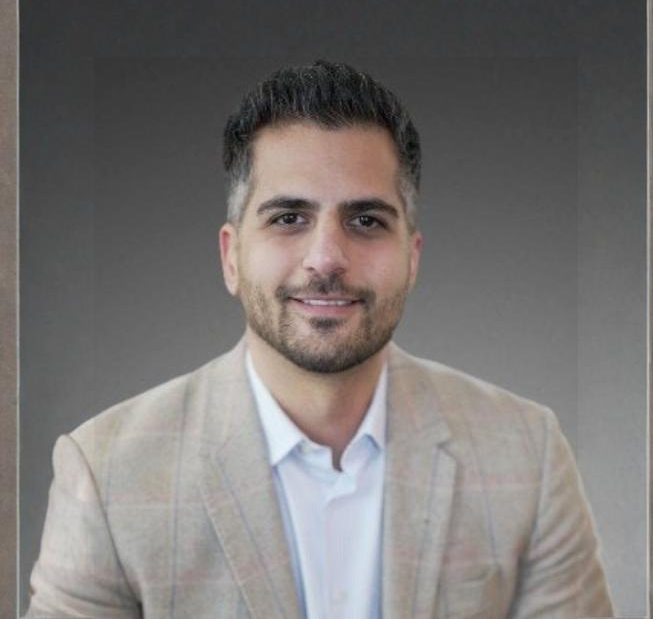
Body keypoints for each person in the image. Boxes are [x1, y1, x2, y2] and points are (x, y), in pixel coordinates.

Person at [25, 61, 614, 619]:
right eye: (288, 218)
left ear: (412, 259)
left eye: (366, 221)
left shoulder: (527, 455)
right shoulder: (106, 473)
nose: (327, 257)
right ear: (231, 257)